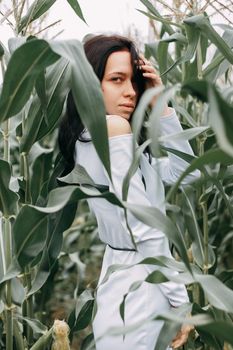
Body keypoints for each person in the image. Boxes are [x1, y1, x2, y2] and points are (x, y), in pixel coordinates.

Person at [58, 34, 198, 350]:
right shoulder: (112, 130)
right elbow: (144, 228)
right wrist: (181, 300)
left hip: (126, 278)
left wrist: (160, 100)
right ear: (90, 84)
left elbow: (188, 175)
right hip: (141, 288)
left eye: (133, 80)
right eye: (117, 79)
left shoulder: (94, 137)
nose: (131, 91)